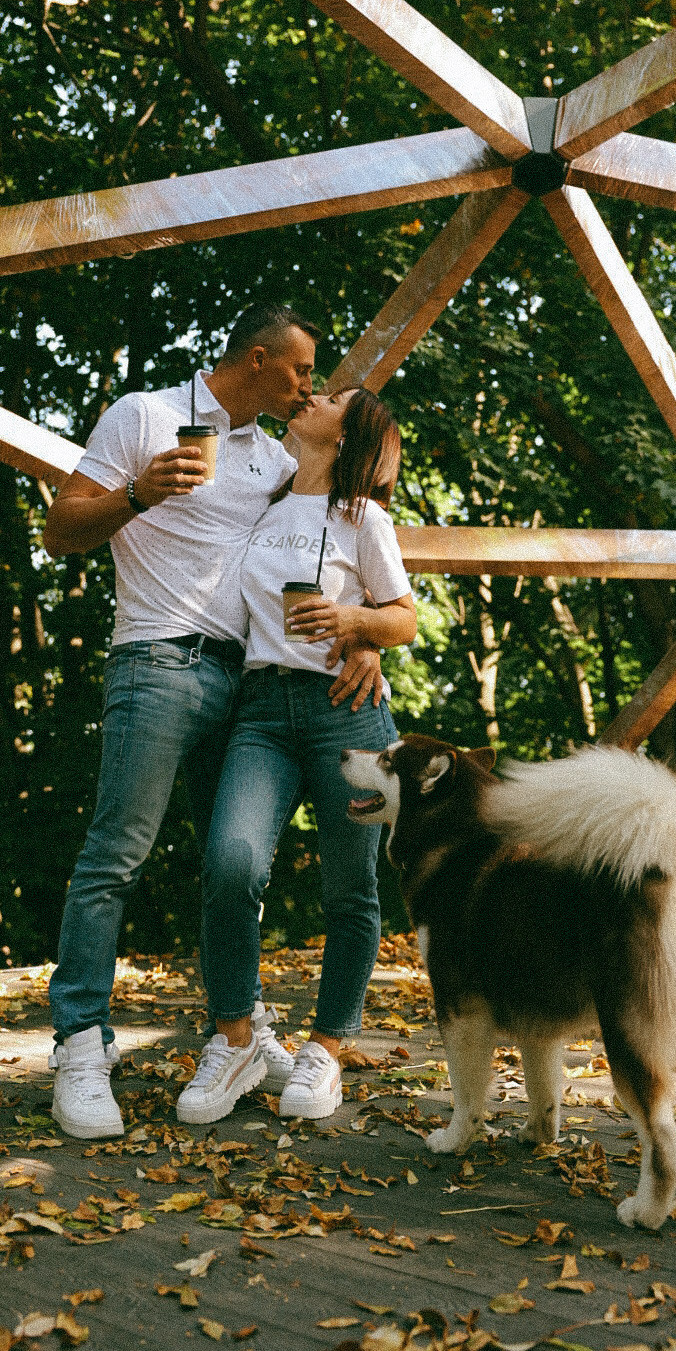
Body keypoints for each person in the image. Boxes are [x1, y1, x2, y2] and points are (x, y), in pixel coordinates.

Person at [42, 306, 384, 1139]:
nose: (311, 386)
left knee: (229, 867)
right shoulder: (146, 416)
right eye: (302, 371)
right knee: (115, 856)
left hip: (253, 688)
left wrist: (369, 632)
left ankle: (238, 1031)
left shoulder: (276, 459)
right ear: (260, 360)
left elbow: (333, 540)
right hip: (158, 663)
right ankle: (80, 1046)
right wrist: (137, 492)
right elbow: (60, 531)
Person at [175, 386, 417, 1126]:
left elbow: (404, 615)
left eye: (333, 398)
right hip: (259, 709)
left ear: (346, 438)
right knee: (231, 863)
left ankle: (326, 1050)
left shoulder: (361, 517)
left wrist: (355, 623)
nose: (312, 395)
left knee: (352, 888)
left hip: (342, 711)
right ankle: (237, 1040)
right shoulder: (261, 505)